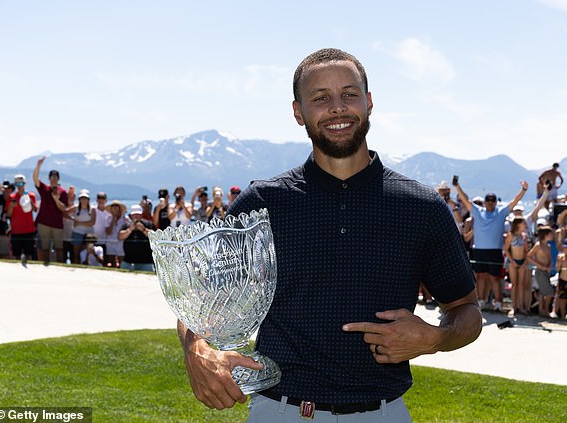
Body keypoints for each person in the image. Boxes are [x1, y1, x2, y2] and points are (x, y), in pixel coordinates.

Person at [177, 48, 482, 421]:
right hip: (281, 412)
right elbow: (199, 302)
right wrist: (196, 349)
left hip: (383, 413)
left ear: (368, 103)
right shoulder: (261, 204)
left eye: (349, 94)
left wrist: (435, 339)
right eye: (320, 98)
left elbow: (466, 310)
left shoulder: (421, 207)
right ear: (298, 112)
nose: (338, 107)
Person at [454, 180, 529, 311]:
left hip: (495, 250)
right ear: (485, 202)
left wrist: (523, 190)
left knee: (494, 278)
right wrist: (457, 186)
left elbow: (514, 202)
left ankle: (498, 303)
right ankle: (481, 301)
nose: (490, 203)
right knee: (481, 277)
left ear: (495, 202)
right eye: (488, 201)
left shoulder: (501, 211)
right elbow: (465, 200)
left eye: (492, 201)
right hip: (479, 250)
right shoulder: (477, 211)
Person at [33, 156, 69, 264]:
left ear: (58, 179)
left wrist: (56, 199)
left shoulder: (62, 192)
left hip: (57, 224)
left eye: (55, 177)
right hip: (44, 223)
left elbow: (63, 208)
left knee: (59, 249)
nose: (53, 179)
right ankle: (46, 268)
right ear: (49, 178)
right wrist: (39, 165)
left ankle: (61, 268)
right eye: (52, 177)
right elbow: (35, 179)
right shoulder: (44, 188)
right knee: (45, 249)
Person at [6, 174, 38, 264]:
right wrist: (11, 206)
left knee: (29, 254)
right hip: (16, 231)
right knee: (17, 255)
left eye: (21, 184)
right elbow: (8, 214)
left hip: (28, 230)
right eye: (17, 184)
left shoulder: (31, 195)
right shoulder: (12, 197)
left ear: (24, 184)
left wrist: (29, 200)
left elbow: (35, 209)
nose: (19, 186)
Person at [526, 226, 554, 317]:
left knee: (543, 292)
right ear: (545, 235)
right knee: (548, 292)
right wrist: (540, 266)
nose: (552, 235)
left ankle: (543, 309)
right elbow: (529, 256)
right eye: (550, 234)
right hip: (539, 271)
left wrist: (549, 266)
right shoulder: (538, 245)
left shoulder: (548, 246)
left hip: (546, 271)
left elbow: (549, 258)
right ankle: (543, 309)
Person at [504, 216, 529, 316]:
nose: (525, 225)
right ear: (518, 224)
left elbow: (527, 251)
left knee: (521, 285)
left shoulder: (524, 236)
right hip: (513, 261)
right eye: (523, 223)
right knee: (514, 285)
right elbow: (506, 249)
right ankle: (514, 307)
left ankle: (521, 307)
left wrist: (525, 261)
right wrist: (512, 260)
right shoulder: (511, 235)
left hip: (522, 261)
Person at [119, 204, 155, 271]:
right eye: (134, 214)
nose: (136, 216)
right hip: (128, 260)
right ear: (131, 215)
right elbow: (120, 237)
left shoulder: (148, 224)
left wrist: (143, 229)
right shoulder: (126, 225)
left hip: (146, 261)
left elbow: (154, 236)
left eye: (138, 214)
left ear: (141, 215)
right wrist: (129, 230)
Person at [66, 189, 96, 264]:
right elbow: (65, 213)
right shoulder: (75, 208)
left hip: (88, 234)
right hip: (77, 233)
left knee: (87, 253)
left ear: (88, 200)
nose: (84, 200)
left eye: (85, 198)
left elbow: (92, 222)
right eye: (82, 198)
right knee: (76, 254)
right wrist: (72, 219)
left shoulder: (92, 209)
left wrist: (78, 223)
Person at [104, 199, 127, 267]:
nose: (114, 207)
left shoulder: (125, 219)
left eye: (116, 206)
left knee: (121, 260)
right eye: (113, 206)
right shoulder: (108, 218)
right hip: (110, 242)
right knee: (112, 261)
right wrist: (113, 221)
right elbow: (107, 232)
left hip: (121, 242)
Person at [93, 192, 110, 257]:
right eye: (99, 198)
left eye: (103, 198)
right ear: (96, 200)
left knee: (104, 261)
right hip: (94, 241)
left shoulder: (109, 212)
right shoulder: (93, 210)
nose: (101, 200)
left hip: (105, 242)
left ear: (106, 200)